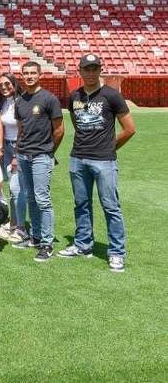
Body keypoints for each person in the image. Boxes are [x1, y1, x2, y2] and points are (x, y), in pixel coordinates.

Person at [59, 54, 136, 272]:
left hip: (104, 161)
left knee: (111, 206)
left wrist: (110, 148)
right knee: (81, 204)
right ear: (80, 71)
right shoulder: (74, 96)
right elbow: (77, 124)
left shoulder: (112, 96)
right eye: (87, 69)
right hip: (78, 158)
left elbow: (130, 129)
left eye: (94, 68)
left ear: (100, 70)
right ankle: (83, 245)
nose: (91, 73)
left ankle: (117, 252)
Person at [12, 61, 64, 262]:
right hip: (24, 155)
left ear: (40, 74)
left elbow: (59, 130)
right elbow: (21, 131)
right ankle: (35, 237)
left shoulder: (49, 98)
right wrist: (17, 153)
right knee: (30, 197)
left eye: (33, 72)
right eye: (26, 73)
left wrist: (49, 152)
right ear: (22, 76)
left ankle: (47, 243)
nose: (29, 76)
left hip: (41, 155)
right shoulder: (20, 100)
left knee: (43, 199)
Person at [0, 73, 25, 241]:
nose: (4, 87)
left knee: (16, 189)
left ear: (14, 84)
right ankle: (11, 220)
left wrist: (16, 154)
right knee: (1, 184)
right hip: (5, 145)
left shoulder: (21, 101)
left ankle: (18, 227)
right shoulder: (2, 102)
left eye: (7, 84)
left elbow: (23, 129)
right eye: (0, 85)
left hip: (18, 146)